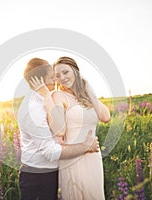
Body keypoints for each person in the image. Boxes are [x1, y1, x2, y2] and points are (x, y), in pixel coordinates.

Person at [17, 58, 100, 200]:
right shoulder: (33, 110)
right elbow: (50, 152)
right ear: (40, 81)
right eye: (52, 76)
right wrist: (86, 146)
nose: (57, 79)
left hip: (52, 172)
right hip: (37, 177)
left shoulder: (47, 98)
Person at [50, 56, 111, 200]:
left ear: (76, 71)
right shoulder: (58, 95)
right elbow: (59, 131)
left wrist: (88, 90)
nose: (62, 78)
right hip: (74, 158)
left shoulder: (87, 96)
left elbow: (105, 117)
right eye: (57, 75)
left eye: (66, 72)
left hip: (93, 158)